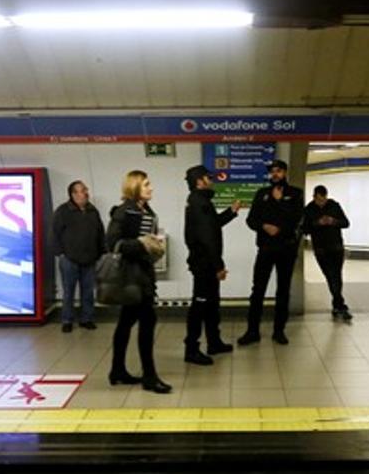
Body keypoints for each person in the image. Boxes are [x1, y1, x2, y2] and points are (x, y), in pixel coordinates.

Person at [105, 170, 172, 394]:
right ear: (134, 187)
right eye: (146, 185)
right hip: (131, 278)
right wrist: (142, 243)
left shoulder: (145, 210)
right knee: (147, 323)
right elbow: (112, 242)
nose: (150, 188)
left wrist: (152, 245)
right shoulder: (125, 211)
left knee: (126, 323)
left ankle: (117, 370)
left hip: (141, 275)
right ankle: (149, 377)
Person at [238, 159, 305, 346]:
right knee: (257, 290)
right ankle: (252, 331)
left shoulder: (295, 194)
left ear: (285, 173)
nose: (275, 174)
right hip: (266, 248)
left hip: (286, 249)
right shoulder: (261, 194)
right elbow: (251, 220)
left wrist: (281, 226)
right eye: (272, 172)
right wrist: (264, 226)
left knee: (283, 291)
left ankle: (279, 331)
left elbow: (297, 219)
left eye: (278, 171)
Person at [182, 165, 242, 365]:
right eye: (208, 177)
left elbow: (212, 224)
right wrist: (219, 266)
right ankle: (192, 349)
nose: (212, 180)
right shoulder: (199, 203)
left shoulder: (201, 201)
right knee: (200, 306)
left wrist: (231, 212)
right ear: (199, 181)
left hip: (205, 262)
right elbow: (207, 238)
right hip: (204, 264)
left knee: (211, 305)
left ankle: (214, 342)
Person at [51, 180, 107, 333]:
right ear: (73, 194)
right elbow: (54, 233)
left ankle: (86, 319)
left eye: (86, 189)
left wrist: (102, 251)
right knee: (68, 291)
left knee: (88, 291)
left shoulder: (92, 211)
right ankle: (67, 320)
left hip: (90, 258)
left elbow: (100, 232)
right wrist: (60, 254)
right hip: (69, 258)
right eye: (83, 190)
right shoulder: (63, 211)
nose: (86, 192)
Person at [303, 184, 352, 321]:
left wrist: (333, 221)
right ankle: (339, 304)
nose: (321, 203)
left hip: (336, 247)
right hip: (320, 249)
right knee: (330, 275)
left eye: (323, 200)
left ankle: (339, 305)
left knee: (336, 275)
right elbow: (304, 229)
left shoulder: (334, 206)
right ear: (314, 197)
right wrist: (317, 223)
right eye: (318, 200)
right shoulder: (309, 209)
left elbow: (346, 223)